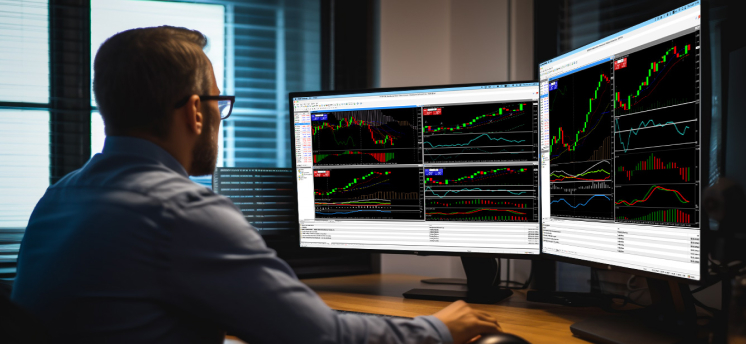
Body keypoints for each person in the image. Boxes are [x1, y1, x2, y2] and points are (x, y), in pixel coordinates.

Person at [11, 26, 501, 343]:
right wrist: (439, 329)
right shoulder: (181, 212)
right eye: (218, 102)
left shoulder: (57, 198)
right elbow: (319, 338)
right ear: (194, 112)